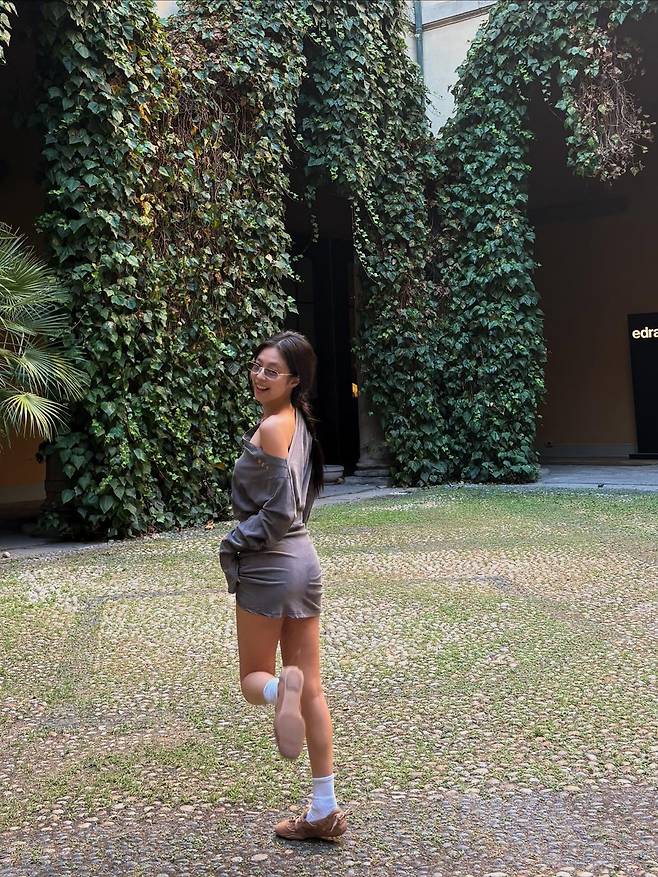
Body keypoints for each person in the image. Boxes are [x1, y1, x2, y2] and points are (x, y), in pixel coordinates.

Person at [219, 330, 350, 841]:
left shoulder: (274, 427)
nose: (260, 375)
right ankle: (324, 809)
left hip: (269, 564)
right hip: (303, 562)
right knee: (312, 686)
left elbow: (276, 514)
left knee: (254, 679)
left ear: (295, 380)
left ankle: (281, 690)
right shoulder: (299, 424)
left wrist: (232, 543)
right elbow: (298, 507)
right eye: (257, 366)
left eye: (272, 371)